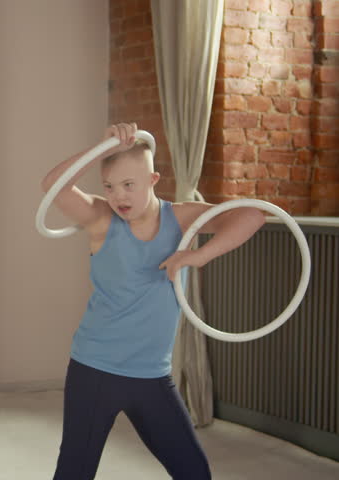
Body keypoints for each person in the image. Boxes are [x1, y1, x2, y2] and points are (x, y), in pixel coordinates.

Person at [40, 122, 265, 479]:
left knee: (194, 472)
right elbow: (54, 186)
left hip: (152, 377)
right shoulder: (101, 219)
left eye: (129, 184)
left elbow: (252, 215)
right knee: (74, 472)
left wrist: (197, 256)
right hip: (96, 370)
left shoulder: (181, 218)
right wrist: (100, 148)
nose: (119, 196)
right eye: (110, 186)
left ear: (153, 180)